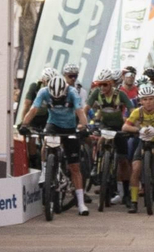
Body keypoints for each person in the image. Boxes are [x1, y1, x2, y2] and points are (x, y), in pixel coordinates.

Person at [20, 74, 91, 215]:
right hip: (53, 125)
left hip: (70, 127)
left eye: (60, 97)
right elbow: (33, 109)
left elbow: (80, 112)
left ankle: (81, 204)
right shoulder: (43, 91)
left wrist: (84, 126)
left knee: (74, 167)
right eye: (54, 98)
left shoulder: (72, 92)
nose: (57, 99)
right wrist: (24, 124)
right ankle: (46, 172)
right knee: (46, 143)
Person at [121, 84, 154, 209]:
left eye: (150, 99)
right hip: (143, 142)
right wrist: (138, 129)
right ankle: (134, 202)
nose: (148, 102)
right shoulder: (137, 112)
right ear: (140, 101)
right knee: (135, 168)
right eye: (145, 99)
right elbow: (125, 126)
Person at [86, 69, 134, 203]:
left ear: (112, 83)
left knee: (123, 161)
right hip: (105, 125)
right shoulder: (96, 93)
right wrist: (83, 123)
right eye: (99, 84)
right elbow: (85, 109)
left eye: (105, 85)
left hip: (120, 127)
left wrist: (130, 123)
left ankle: (125, 193)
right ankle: (97, 165)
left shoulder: (121, 94)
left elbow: (132, 111)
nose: (101, 87)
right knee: (100, 141)